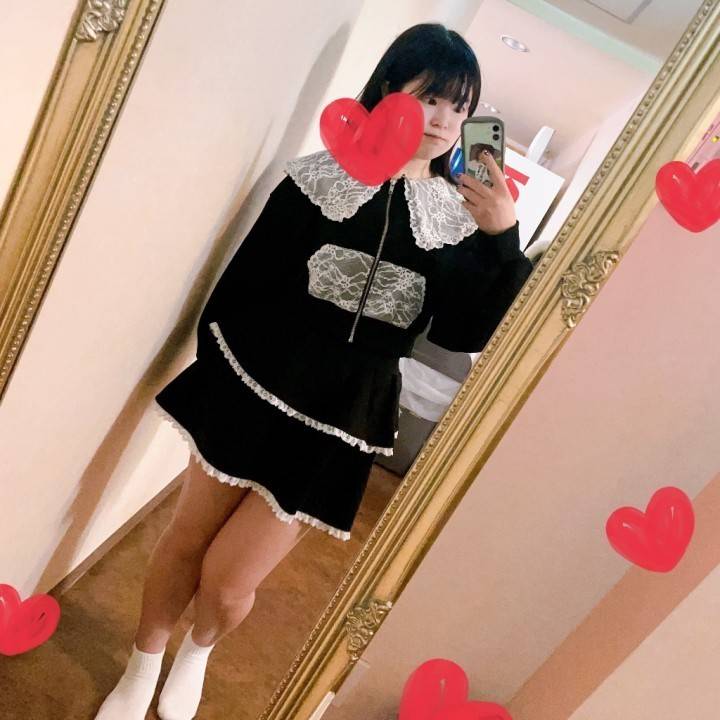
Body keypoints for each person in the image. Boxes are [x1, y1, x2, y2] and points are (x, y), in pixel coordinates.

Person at [94, 22, 533, 720]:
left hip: (344, 415)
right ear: (389, 88)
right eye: (431, 97)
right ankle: (141, 667)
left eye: (461, 106)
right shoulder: (319, 177)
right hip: (254, 382)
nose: (445, 120)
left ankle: (199, 649)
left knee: (228, 580)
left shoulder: (459, 221)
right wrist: (217, 371)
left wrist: (503, 238)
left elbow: (463, 332)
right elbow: (245, 284)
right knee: (187, 541)